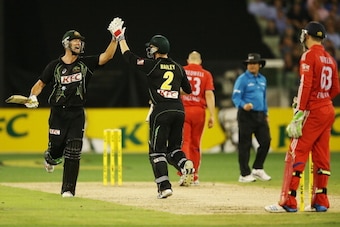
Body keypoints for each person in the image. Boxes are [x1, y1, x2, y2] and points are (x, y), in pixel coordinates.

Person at [24, 18, 121, 197]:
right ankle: (50, 158)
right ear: (66, 44)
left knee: (74, 151)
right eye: (75, 40)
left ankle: (68, 190)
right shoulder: (54, 66)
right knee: (56, 149)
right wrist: (32, 97)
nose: (79, 43)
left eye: (80, 41)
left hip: (77, 113)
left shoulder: (85, 64)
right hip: (58, 114)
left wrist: (115, 39)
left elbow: (107, 56)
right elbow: (39, 84)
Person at [113, 17, 194, 199]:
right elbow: (188, 90)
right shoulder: (179, 67)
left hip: (161, 110)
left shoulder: (152, 65)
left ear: (157, 49)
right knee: (173, 149)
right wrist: (172, 88)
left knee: (156, 151)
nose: (149, 50)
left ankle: (164, 187)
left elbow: (129, 58)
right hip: (179, 110)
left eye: (151, 47)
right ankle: (184, 163)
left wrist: (120, 38)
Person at [265, 21, 340, 213]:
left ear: (306, 36)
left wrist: (300, 110)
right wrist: (323, 100)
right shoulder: (330, 59)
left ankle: (288, 201)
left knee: (295, 152)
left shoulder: (308, 56)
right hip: (328, 109)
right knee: (321, 156)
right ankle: (320, 201)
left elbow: (305, 85)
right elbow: (336, 89)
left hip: (312, 110)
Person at [232, 53, 272, 183]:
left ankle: (257, 168)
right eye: (249, 64)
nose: (252, 66)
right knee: (245, 145)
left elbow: (263, 97)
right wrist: (244, 105)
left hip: (260, 115)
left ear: (259, 65)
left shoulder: (263, 79)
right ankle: (244, 174)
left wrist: (266, 113)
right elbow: (236, 97)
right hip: (246, 115)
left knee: (266, 141)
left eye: (254, 63)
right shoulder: (242, 79)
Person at [180, 51, 215, 185]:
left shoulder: (182, 70)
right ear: (200, 62)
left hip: (184, 110)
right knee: (196, 144)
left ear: (188, 60)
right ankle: (195, 176)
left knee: (185, 142)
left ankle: (185, 172)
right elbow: (209, 95)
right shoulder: (206, 74)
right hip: (199, 112)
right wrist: (212, 115)